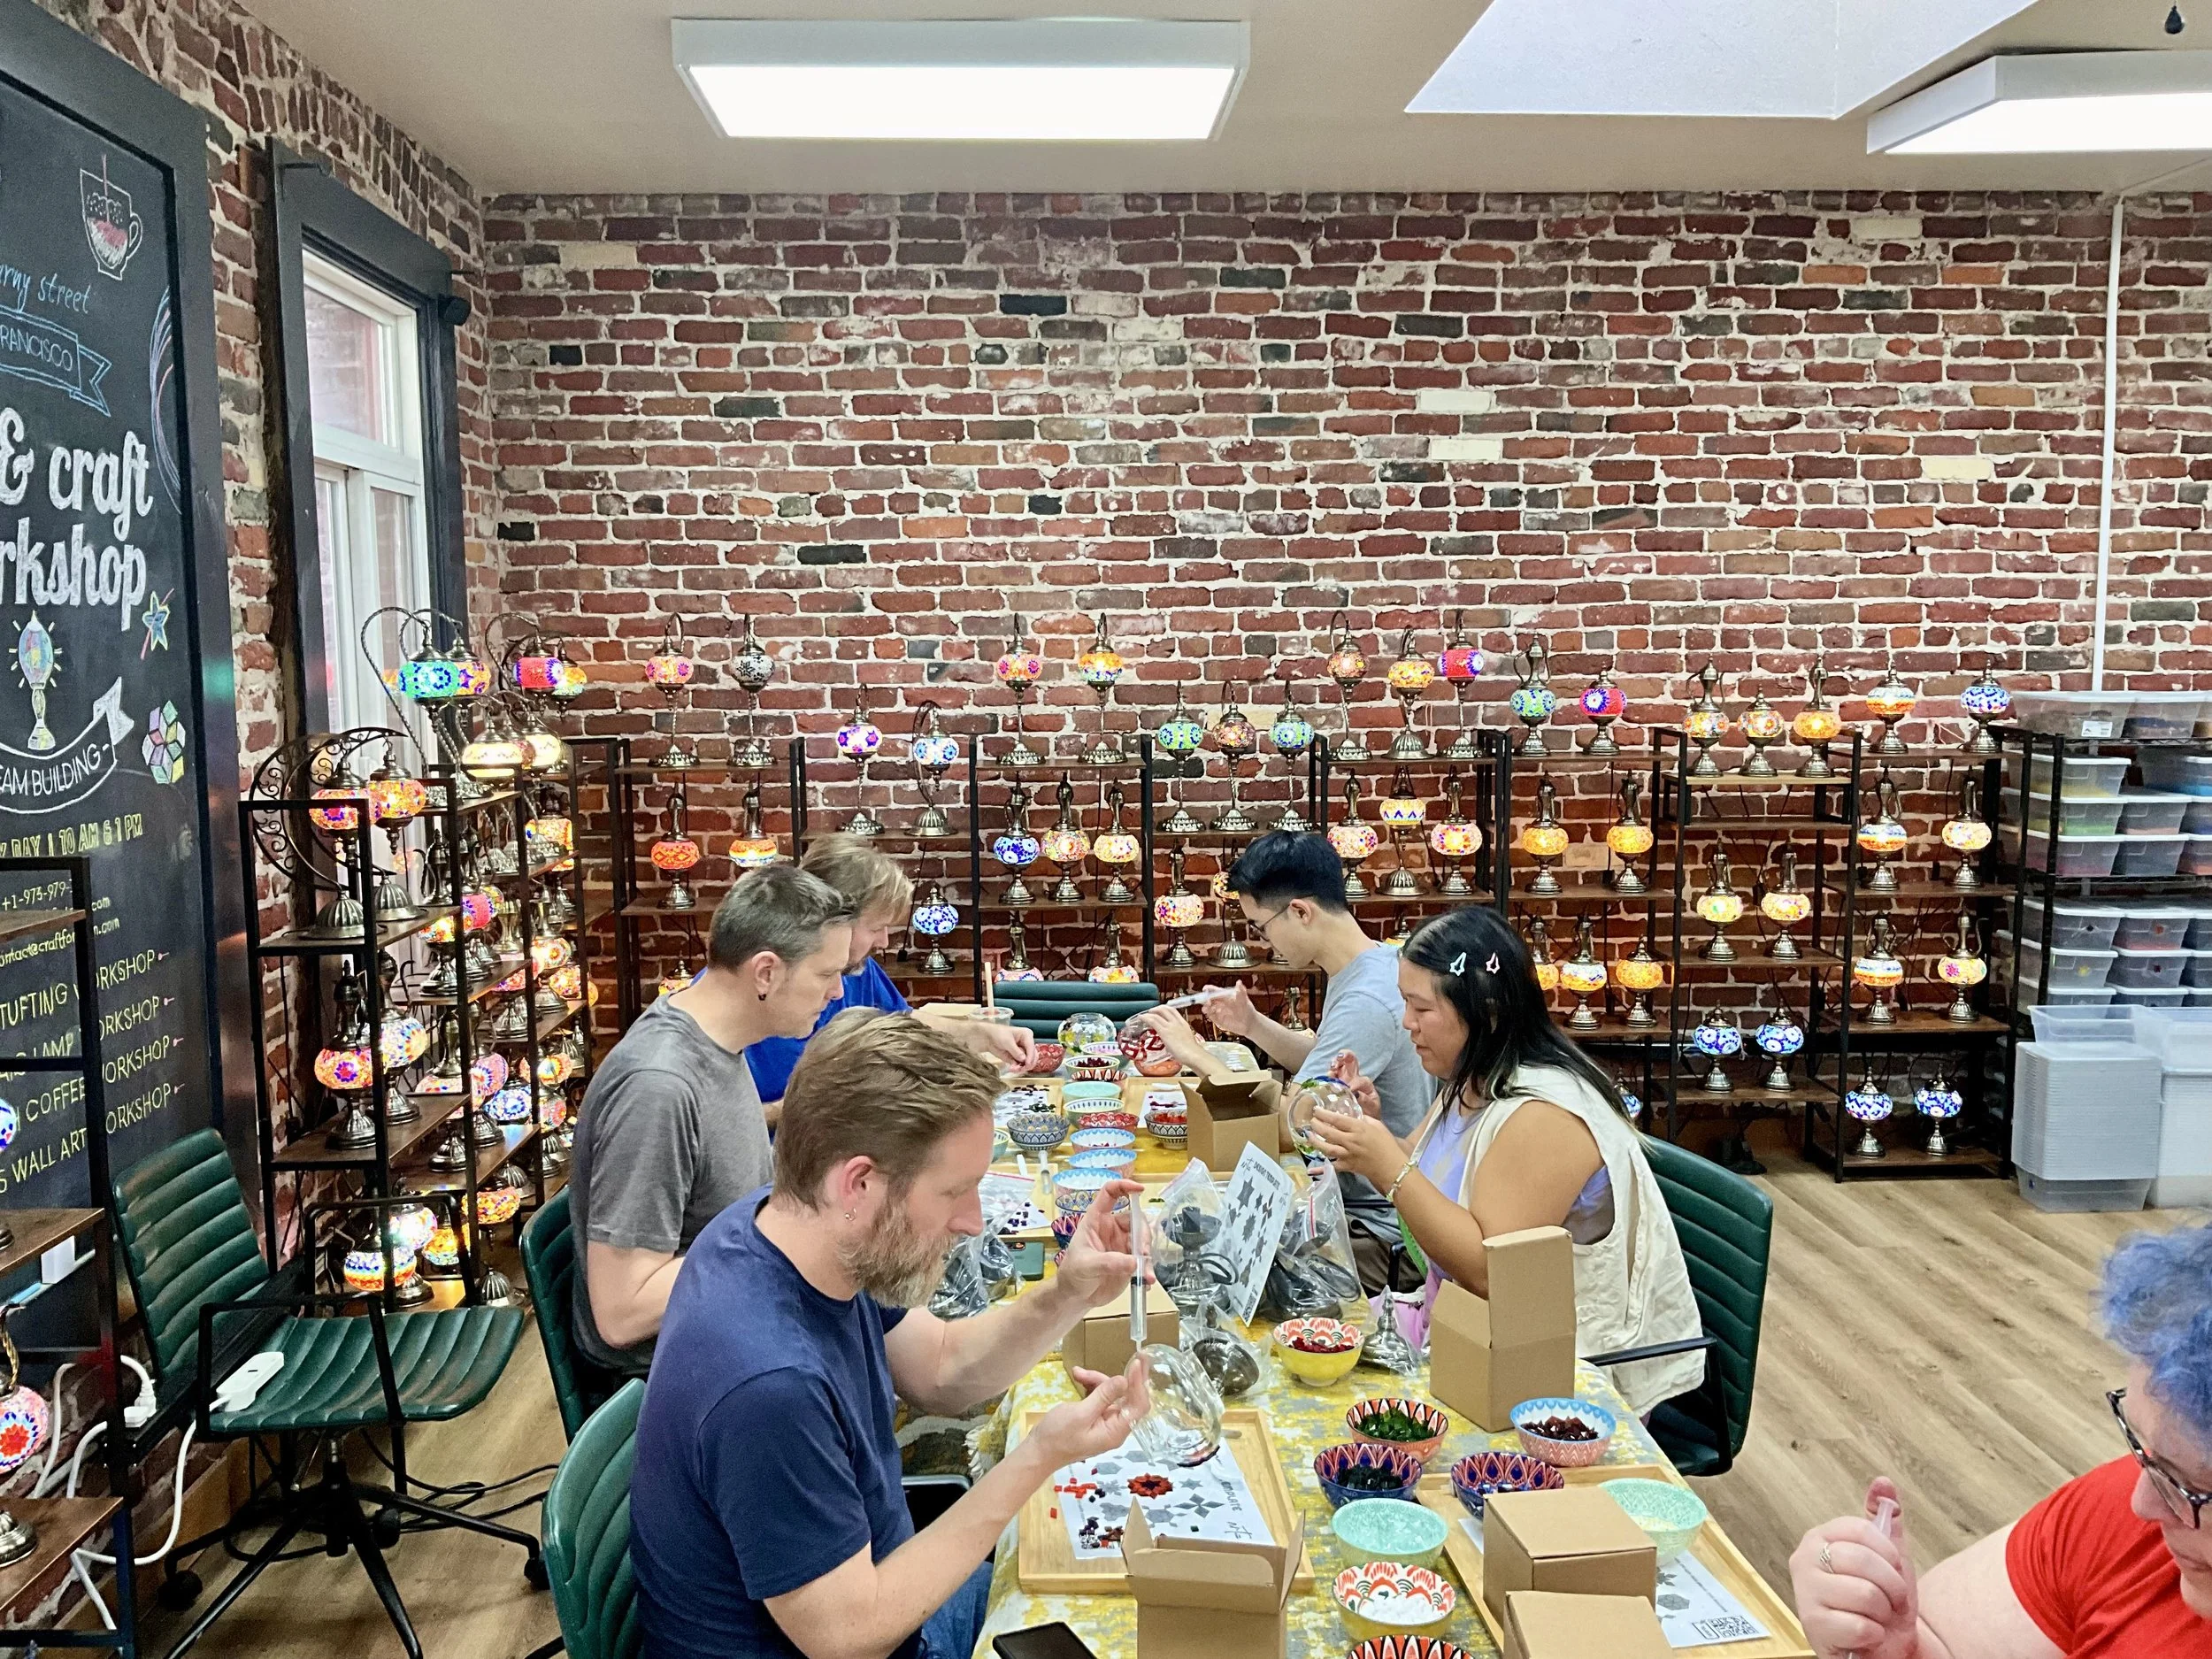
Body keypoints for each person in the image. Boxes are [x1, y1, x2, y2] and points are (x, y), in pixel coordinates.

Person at [631, 1010, 1151, 1659]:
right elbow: (852, 1638)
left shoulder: (782, 1227)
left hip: (884, 1590)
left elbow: (940, 1368)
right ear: (858, 1182)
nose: (974, 1221)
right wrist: (1039, 1455)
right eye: (955, 1191)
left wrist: (1070, 1292)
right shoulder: (769, 1385)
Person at [1307, 904, 1703, 1416]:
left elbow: (1490, 1270)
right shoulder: (1476, 1076)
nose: (1407, 1024)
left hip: (1562, 1374)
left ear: (1488, 1013)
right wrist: (1373, 1132)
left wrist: (1385, 1166)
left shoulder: (1546, 1114)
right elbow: (1430, 1172)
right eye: (1405, 1003)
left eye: (1421, 1008)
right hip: (1474, 1330)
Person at [1791, 1224, 2212, 1658]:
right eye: (2145, 1448)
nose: (2143, 1503)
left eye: (2194, 1487)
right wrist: (1886, 1644)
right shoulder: (2122, 1525)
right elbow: (1939, 1644)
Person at [570, 864, 855, 1372]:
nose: (837, 992)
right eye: (826, 974)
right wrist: (788, 1238)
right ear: (766, 973)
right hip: (686, 1367)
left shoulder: (721, 1037)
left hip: (740, 1317)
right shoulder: (659, 1087)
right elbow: (621, 1313)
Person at [1123, 831, 1430, 1292]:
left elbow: (1293, 1125)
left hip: (1373, 1231)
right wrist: (1252, 1024)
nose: (1264, 941)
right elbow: (1322, 1067)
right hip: (1353, 1206)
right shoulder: (1376, 963)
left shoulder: (1366, 1000)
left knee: (1181, 1258)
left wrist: (1197, 1056)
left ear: (1301, 912)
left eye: (1262, 927)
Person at [747, 833, 1035, 1110]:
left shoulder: (858, 968)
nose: (884, 942)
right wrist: (799, 1107)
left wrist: (982, 1035)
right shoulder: (767, 987)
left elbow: (901, 1022)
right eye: (876, 928)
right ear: (834, 919)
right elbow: (725, 1124)